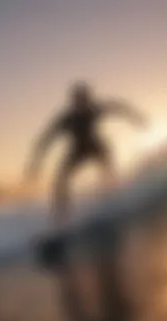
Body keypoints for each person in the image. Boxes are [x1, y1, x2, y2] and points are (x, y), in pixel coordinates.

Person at [26, 81, 148, 225]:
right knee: (60, 180)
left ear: (88, 99)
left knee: (108, 170)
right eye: (78, 100)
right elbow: (46, 139)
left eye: (84, 99)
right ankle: (61, 218)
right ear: (73, 102)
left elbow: (118, 108)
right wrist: (35, 164)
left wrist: (136, 118)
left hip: (95, 147)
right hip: (77, 151)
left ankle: (115, 199)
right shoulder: (67, 119)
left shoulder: (94, 109)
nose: (81, 104)